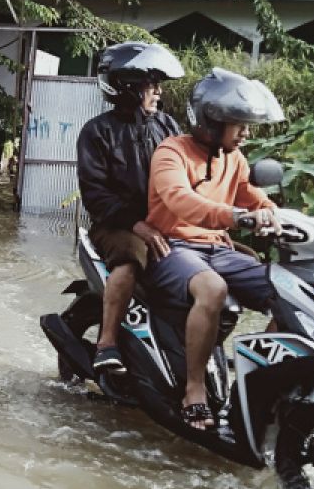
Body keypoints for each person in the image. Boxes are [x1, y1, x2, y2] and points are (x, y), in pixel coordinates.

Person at [144, 68, 285, 430]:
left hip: (217, 249)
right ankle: (194, 391)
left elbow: (253, 197)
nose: (245, 133)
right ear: (211, 120)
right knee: (213, 288)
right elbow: (180, 199)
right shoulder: (171, 151)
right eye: (239, 124)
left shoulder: (234, 159)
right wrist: (235, 217)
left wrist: (273, 213)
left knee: (289, 294)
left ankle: (256, 389)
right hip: (172, 247)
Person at [76, 41, 185, 380]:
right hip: (116, 225)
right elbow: (96, 195)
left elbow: (187, 176)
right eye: (151, 85)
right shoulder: (97, 131)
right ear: (127, 87)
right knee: (129, 256)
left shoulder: (168, 127)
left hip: (163, 221)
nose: (158, 92)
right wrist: (137, 225)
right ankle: (106, 344)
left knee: (239, 258)